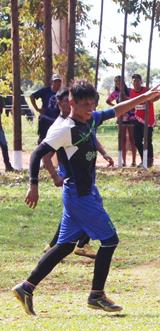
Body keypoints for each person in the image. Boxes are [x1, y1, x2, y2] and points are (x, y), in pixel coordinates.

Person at [11, 79, 160, 317]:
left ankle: (26, 287)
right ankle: (96, 295)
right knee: (110, 240)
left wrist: (144, 98)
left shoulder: (90, 118)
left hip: (84, 193)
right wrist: (33, 185)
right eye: (84, 105)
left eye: (92, 105)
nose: (89, 110)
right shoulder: (64, 129)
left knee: (64, 246)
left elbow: (115, 110)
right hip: (79, 196)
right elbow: (38, 154)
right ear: (71, 102)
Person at [44, 87, 116, 258]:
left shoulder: (85, 120)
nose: (90, 107)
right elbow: (44, 155)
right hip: (73, 181)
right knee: (103, 232)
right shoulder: (60, 127)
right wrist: (54, 175)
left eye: (92, 103)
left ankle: (71, 245)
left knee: (78, 215)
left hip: (85, 181)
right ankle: (71, 245)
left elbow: (92, 137)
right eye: (62, 102)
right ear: (65, 103)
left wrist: (103, 152)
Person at [106, 76, 138, 167]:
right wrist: (115, 106)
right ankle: (123, 161)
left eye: (119, 81)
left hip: (131, 117)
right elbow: (108, 101)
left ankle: (134, 161)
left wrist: (126, 98)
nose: (118, 83)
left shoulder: (130, 91)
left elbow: (135, 100)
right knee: (122, 139)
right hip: (121, 117)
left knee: (132, 139)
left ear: (123, 81)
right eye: (116, 81)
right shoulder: (115, 93)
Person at [128, 74, 156, 168]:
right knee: (137, 141)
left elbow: (155, 98)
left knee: (148, 140)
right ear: (132, 83)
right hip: (137, 119)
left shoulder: (147, 90)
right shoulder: (131, 92)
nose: (136, 83)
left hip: (148, 119)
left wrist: (154, 98)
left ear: (141, 82)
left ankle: (150, 160)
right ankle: (143, 159)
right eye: (134, 81)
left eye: (137, 81)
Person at [29, 74, 63, 144]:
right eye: (56, 81)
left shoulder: (61, 93)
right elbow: (32, 96)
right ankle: (39, 154)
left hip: (56, 121)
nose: (58, 83)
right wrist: (37, 109)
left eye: (59, 81)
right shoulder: (46, 90)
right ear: (52, 82)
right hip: (45, 119)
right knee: (42, 138)